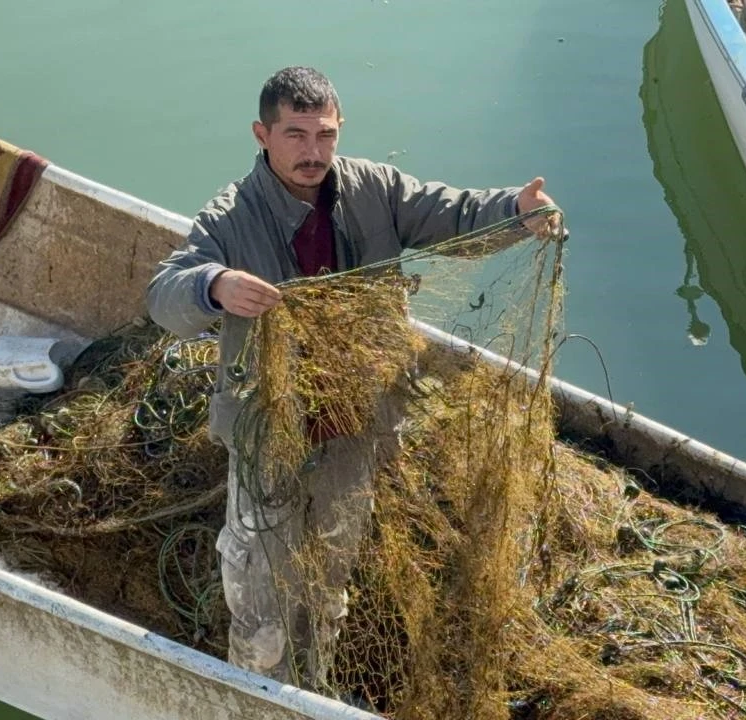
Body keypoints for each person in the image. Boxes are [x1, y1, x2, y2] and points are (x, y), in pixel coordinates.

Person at [146, 66, 561, 688]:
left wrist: (516, 211)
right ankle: (259, 688)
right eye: (295, 135)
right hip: (268, 427)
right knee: (260, 585)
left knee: (331, 576)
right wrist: (214, 284)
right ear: (262, 134)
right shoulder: (231, 216)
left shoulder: (376, 188)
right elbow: (163, 294)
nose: (313, 152)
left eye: (325, 135)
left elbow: (456, 217)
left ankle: (315, 686)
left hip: (356, 421)